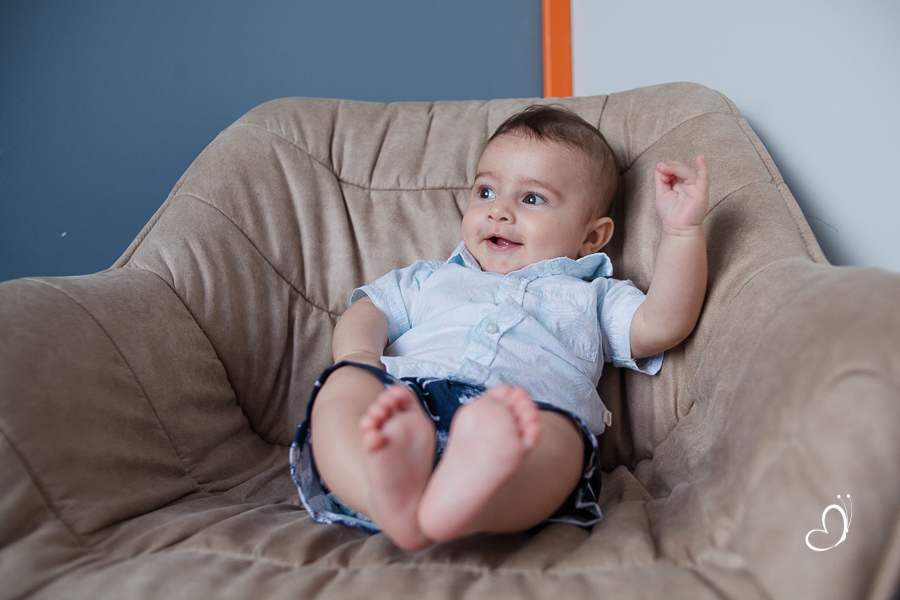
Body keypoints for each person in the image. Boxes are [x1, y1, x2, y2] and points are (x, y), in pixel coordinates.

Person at [290, 105, 709, 552]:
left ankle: (459, 503)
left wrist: (683, 234)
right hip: (400, 405)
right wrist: (359, 359)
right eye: (486, 191)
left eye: (532, 199)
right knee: (343, 386)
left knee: (563, 442)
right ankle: (383, 491)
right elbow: (369, 310)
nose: (499, 211)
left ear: (592, 237)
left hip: (520, 425)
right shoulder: (432, 277)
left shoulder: (593, 295)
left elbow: (663, 323)